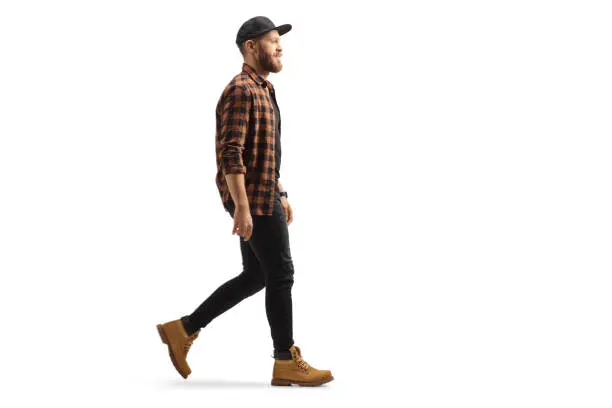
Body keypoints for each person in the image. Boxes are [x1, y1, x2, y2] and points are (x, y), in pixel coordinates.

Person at [156, 16, 334, 387]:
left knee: (256, 276)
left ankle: (183, 329)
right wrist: (242, 206)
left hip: (263, 194)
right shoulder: (241, 90)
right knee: (281, 274)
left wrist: (280, 191)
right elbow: (231, 153)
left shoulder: (264, 89)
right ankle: (285, 359)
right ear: (251, 47)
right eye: (272, 41)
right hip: (251, 198)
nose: (280, 47)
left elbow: (263, 153)